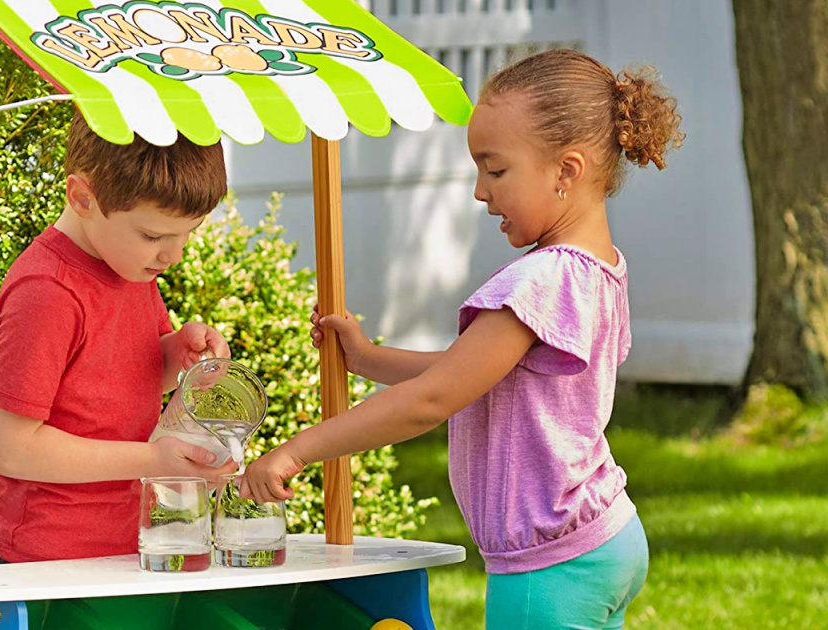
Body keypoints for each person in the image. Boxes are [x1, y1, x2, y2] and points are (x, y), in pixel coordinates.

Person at [241, 49, 684, 629]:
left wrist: (297, 451)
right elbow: (475, 371)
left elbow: (433, 399)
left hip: (550, 566)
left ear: (566, 171)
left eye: (495, 170)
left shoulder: (540, 280)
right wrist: (369, 358)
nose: (480, 191)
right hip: (604, 538)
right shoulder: (599, 269)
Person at [0, 112, 239, 565]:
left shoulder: (128, 264)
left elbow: (117, 381)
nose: (174, 255)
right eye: (154, 235)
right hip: (36, 558)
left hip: (119, 548)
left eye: (188, 234)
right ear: (82, 198)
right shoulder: (47, 294)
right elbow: (10, 448)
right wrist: (153, 460)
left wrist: (178, 355)